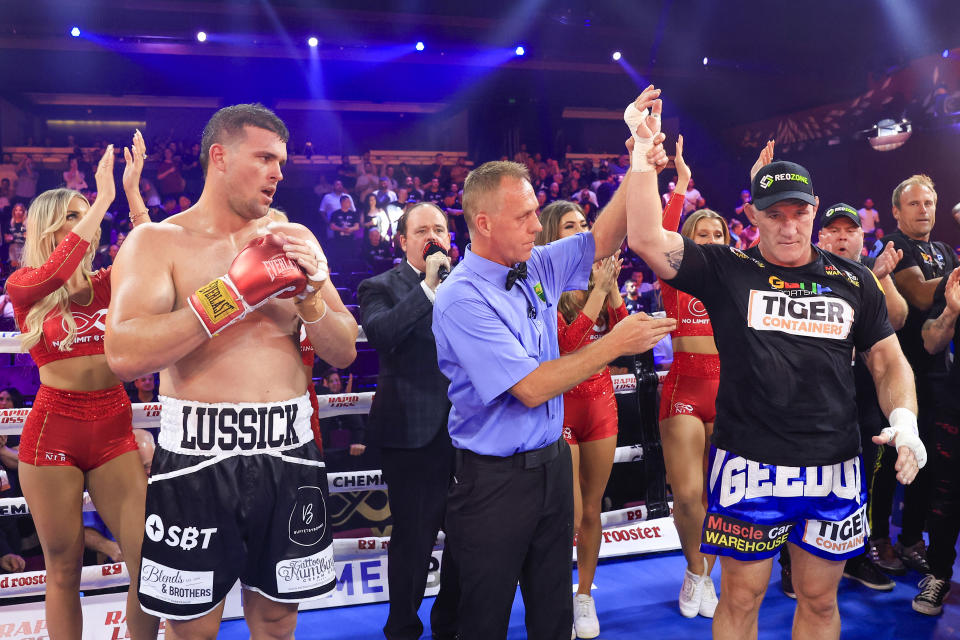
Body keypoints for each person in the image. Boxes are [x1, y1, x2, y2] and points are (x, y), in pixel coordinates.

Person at [623, 89, 925, 640]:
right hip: (749, 463)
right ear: (756, 216)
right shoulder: (725, 267)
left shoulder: (853, 279)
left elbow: (887, 361)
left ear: (815, 208)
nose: (789, 226)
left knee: (819, 600)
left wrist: (904, 420)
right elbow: (645, 237)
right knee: (740, 598)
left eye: (799, 212)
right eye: (775, 214)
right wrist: (644, 161)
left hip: (835, 463)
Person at [105, 103, 358, 637]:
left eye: (282, 161)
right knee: (192, 628)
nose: (278, 172)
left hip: (288, 454)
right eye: (264, 157)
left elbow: (344, 351)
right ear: (218, 157)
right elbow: (124, 354)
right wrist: (230, 296)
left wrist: (311, 299)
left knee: (275, 620)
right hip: (198, 460)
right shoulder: (157, 242)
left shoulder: (293, 237)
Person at [432, 85, 675, 640]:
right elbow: (532, 388)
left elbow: (606, 237)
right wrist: (615, 345)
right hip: (490, 484)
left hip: (548, 467)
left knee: (553, 617)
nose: (535, 224)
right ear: (484, 224)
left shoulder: (537, 263)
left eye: (537, 212)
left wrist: (637, 158)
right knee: (481, 621)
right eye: (524, 216)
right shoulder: (461, 297)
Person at [7, 137, 158, 639]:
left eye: (85, 215)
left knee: (147, 564)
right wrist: (99, 199)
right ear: (50, 226)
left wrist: (132, 195)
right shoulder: (25, 285)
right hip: (54, 431)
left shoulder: (109, 283)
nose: (84, 225)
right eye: (71, 216)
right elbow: (57, 270)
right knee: (65, 568)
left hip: (114, 425)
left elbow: (155, 254)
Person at [357, 202, 461, 640]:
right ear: (403, 242)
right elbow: (382, 335)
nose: (432, 235)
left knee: (468, 538)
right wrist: (428, 288)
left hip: (469, 431)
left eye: (439, 228)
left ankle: (450, 624)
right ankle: (402, 628)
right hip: (412, 435)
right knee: (414, 542)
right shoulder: (379, 286)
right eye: (422, 230)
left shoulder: (469, 283)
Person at [534, 200, 628, 638]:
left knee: (593, 509)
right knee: (567, 514)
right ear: (552, 236)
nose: (580, 231)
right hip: (560, 406)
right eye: (570, 226)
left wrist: (611, 290)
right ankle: (554, 596)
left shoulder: (598, 276)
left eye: (584, 225)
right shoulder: (542, 282)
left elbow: (627, 339)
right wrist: (597, 292)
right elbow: (568, 346)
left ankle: (584, 595)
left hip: (601, 402)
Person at [656, 135, 723, 619]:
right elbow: (660, 233)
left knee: (720, 494)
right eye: (702, 235)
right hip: (683, 390)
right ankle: (694, 568)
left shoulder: (740, 278)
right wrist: (680, 184)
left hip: (731, 393)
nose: (712, 242)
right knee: (687, 494)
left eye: (719, 235)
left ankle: (704, 575)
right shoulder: (674, 278)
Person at [880, 175, 957, 575]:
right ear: (896, 210)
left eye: (928, 202)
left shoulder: (944, 249)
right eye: (913, 204)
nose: (923, 210)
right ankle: (879, 541)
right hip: (900, 372)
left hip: (941, 369)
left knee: (930, 463)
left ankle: (911, 540)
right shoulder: (895, 246)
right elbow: (923, 295)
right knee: (894, 463)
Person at [917, 266, 960, 615]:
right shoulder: (956, 282)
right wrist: (951, 310)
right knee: (945, 500)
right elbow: (931, 343)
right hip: (956, 409)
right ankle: (938, 575)